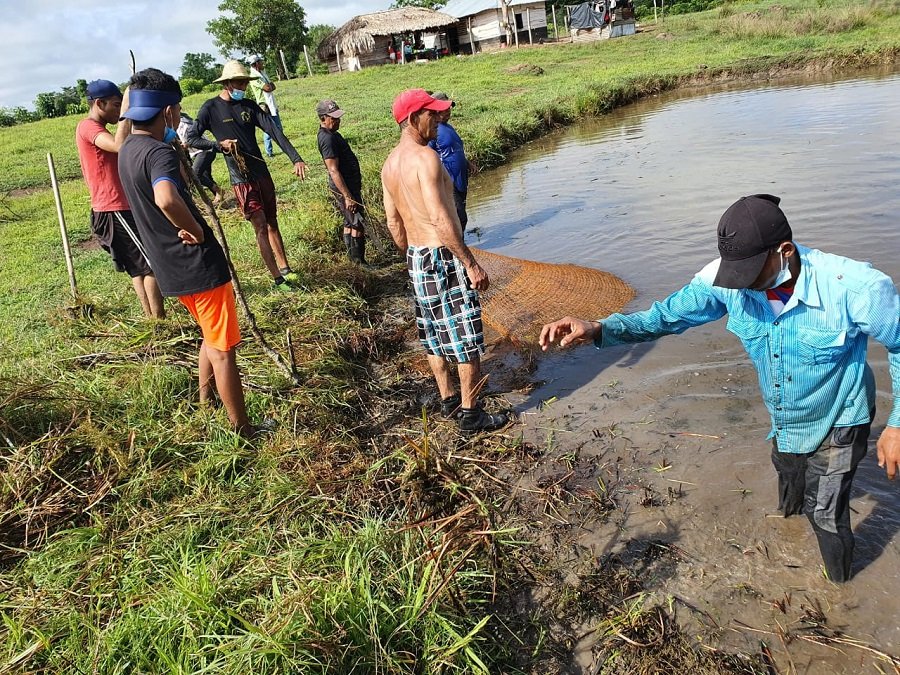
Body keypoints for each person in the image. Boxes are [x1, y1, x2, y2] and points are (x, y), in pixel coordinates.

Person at [539, 194, 900, 583]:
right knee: (790, 483)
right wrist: (599, 328)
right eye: (735, 275)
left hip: (841, 414)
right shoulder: (724, 280)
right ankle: (791, 532)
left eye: (750, 275)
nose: (741, 286)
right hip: (786, 416)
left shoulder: (856, 288)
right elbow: (665, 317)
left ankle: (840, 590)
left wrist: (896, 425)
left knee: (826, 512)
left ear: (785, 252)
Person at [118, 68, 255, 437]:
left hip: (169, 268)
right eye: (177, 109)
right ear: (167, 113)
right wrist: (195, 230)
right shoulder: (157, 153)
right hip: (198, 265)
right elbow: (165, 197)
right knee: (224, 349)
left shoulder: (129, 149)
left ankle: (205, 399)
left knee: (209, 336)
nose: (179, 116)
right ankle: (242, 429)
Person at [381, 89, 510, 434]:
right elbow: (441, 219)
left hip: (417, 257)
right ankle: (471, 414)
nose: (438, 119)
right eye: (431, 114)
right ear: (412, 119)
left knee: (433, 331)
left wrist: (413, 254)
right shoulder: (426, 158)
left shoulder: (389, 165)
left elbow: (394, 222)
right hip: (443, 254)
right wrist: (469, 263)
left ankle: (448, 399)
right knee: (467, 334)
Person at [188, 60, 307, 291]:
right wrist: (218, 145)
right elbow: (193, 137)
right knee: (260, 224)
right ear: (227, 83)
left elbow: (274, 131)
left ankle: (286, 269)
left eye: (244, 82)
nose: (242, 86)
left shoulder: (249, 106)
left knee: (272, 221)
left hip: (261, 172)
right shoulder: (210, 108)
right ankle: (277, 279)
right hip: (240, 178)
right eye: (239, 82)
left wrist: (296, 158)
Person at [75, 79, 165, 318]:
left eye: (120, 105)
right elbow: (118, 145)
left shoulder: (98, 127)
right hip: (113, 208)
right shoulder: (88, 127)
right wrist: (127, 109)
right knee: (151, 263)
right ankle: (159, 319)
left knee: (139, 267)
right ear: (99, 103)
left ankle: (152, 318)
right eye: (115, 105)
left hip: (121, 206)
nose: (118, 111)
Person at [316, 100, 367, 265]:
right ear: (323, 118)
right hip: (345, 187)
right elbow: (333, 170)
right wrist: (347, 196)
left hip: (348, 185)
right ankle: (359, 262)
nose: (338, 121)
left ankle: (352, 260)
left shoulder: (332, 134)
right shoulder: (327, 139)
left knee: (349, 221)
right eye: (334, 118)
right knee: (357, 222)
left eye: (338, 117)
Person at [427, 92, 474, 235]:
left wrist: (468, 163)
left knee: (460, 215)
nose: (448, 111)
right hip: (448, 180)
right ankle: (456, 249)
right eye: (444, 108)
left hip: (460, 178)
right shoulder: (433, 131)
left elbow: (455, 150)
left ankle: (459, 246)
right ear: (435, 110)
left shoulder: (448, 128)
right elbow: (429, 154)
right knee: (459, 217)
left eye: (449, 107)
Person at [176, 111, 223, 205]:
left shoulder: (182, 124)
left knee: (195, 175)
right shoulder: (185, 121)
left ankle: (218, 191)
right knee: (206, 176)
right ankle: (220, 200)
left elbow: (190, 141)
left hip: (203, 151)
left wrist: (182, 145)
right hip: (202, 151)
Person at [247, 55, 282, 159]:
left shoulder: (262, 73)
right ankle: (269, 151)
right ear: (256, 63)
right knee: (268, 128)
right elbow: (267, 87)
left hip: (271, 103)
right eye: (260, 61)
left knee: (278, 126)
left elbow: (272, 86)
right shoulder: (254, 77)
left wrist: (270, 86)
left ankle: (283, 147)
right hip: (264, 105)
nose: (262, 63)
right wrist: (270, 86)